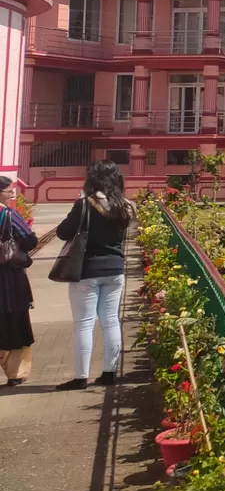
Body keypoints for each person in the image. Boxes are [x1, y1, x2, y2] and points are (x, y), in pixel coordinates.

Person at [54, 160, 135, 390]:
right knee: (110, 320)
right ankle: (109, 374)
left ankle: (81, 377)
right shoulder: (125, 206)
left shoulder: (85, 204)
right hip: (115, 270)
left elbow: (62, 232)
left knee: (84, 323)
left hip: (87, 270)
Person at [0, 177, 38, 385]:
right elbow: (29, 239)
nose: (12, 195)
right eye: (8, 191)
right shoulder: (8, 215)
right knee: (13, 320)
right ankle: (14, 374)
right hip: (8, 278)